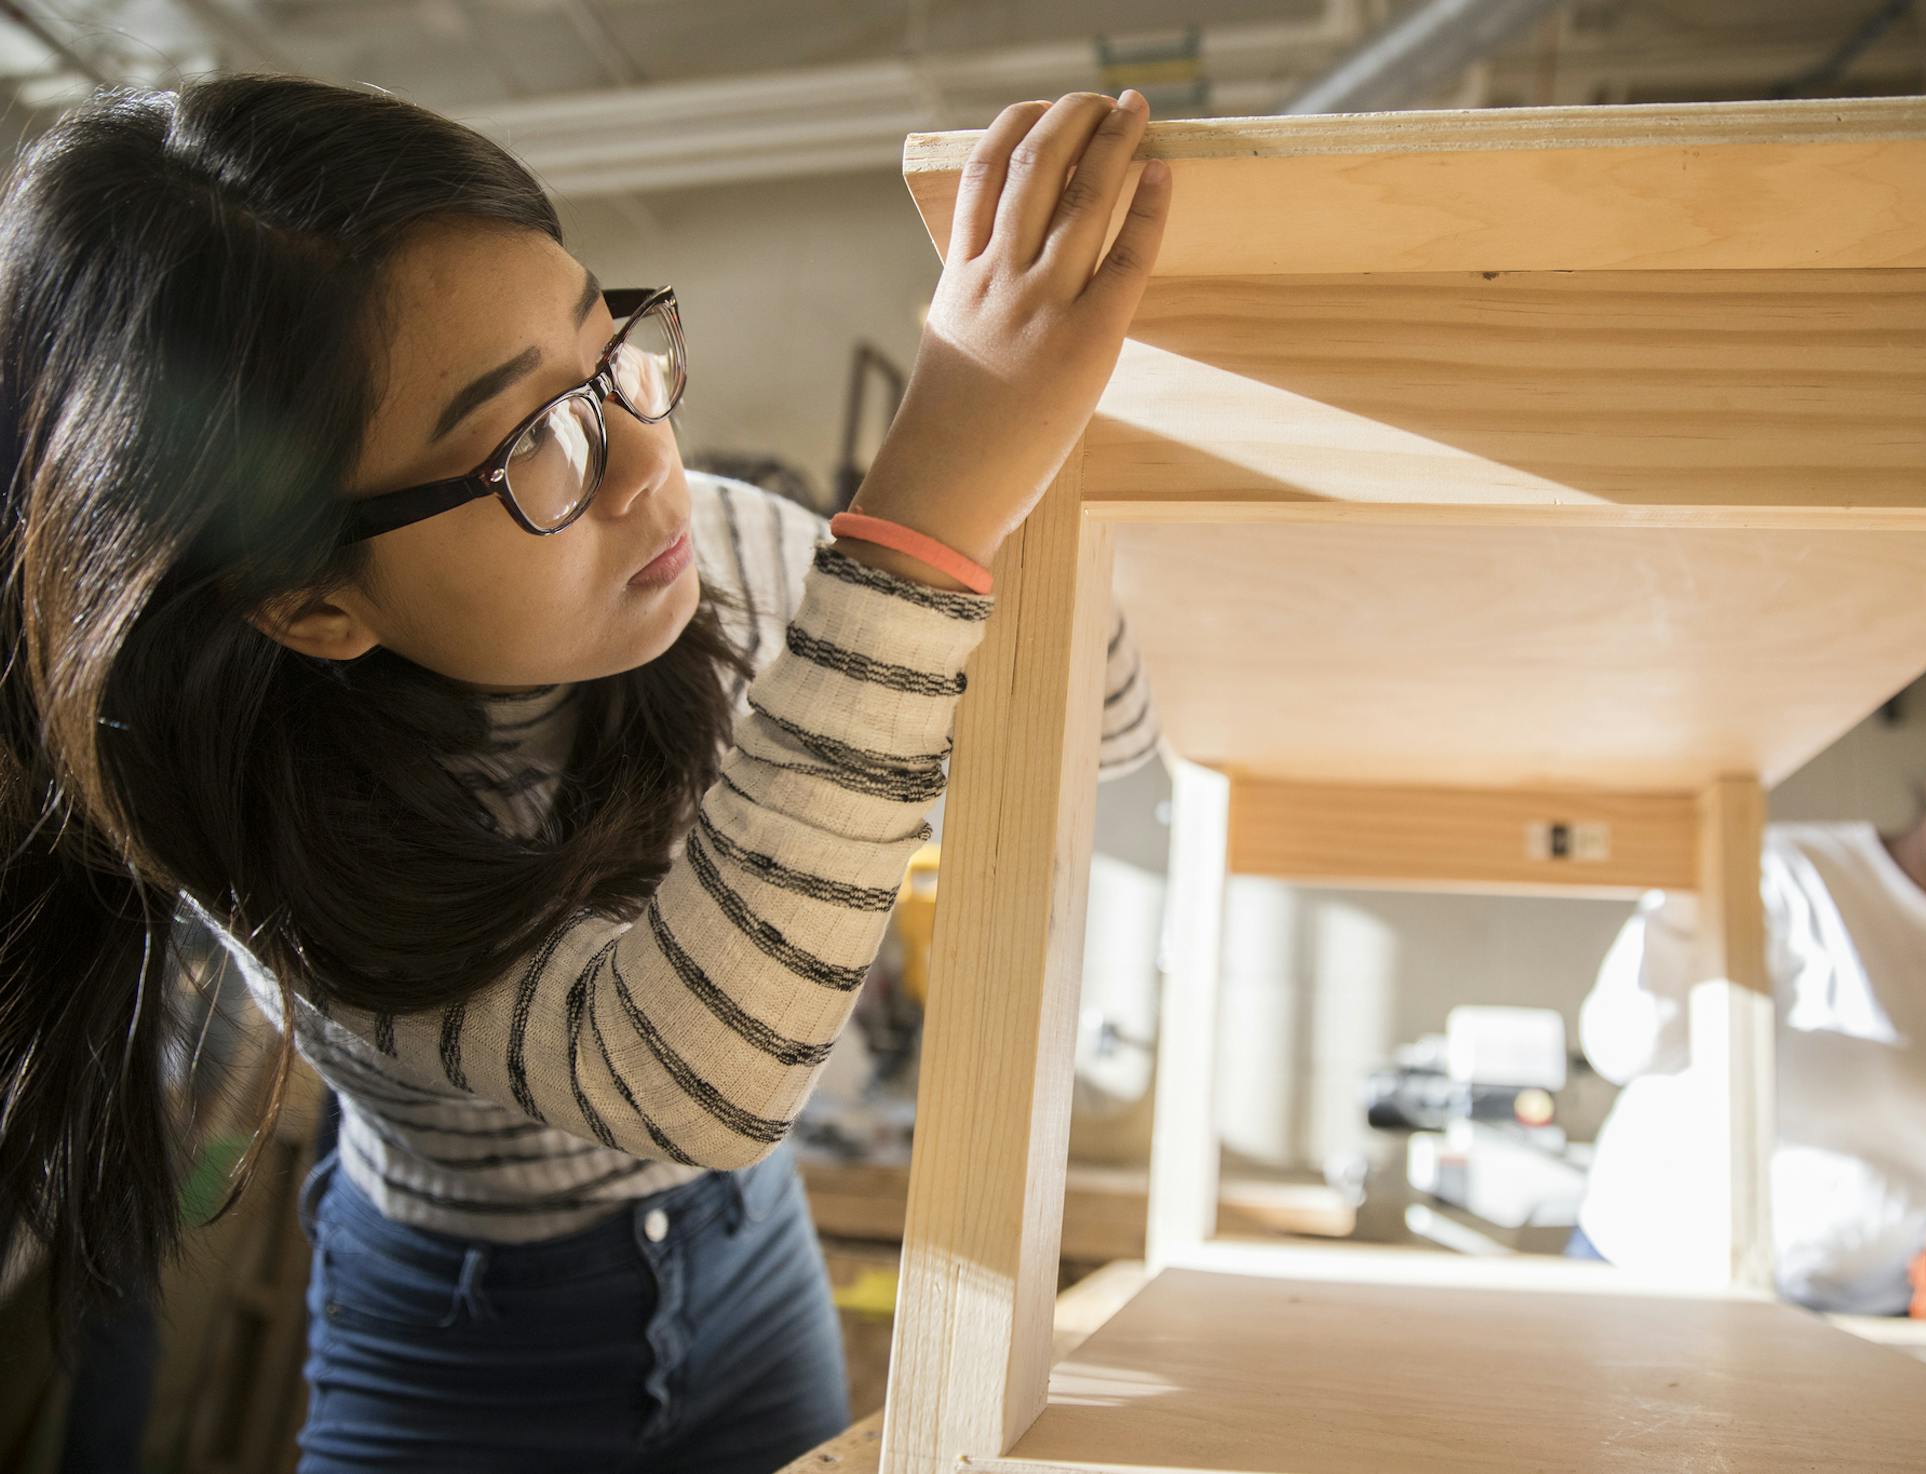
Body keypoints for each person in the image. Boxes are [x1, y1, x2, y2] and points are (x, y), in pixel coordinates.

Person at [0, 75, 1169, 1472]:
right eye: (528, 444)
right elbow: (693, 1074)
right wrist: (926, 517)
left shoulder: (708, 546)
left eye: (606, 353)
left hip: (750, 1269)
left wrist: (1057, 449)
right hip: (460, 1342)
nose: (645, 468)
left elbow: (1106, 727)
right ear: (313, 601)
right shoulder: (279, 841)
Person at [1574, 688, 1926, 1351]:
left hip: (1861, 1332)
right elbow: (1625, 1048)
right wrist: (1680, 886)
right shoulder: (1776, 873)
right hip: (1648, 1297)